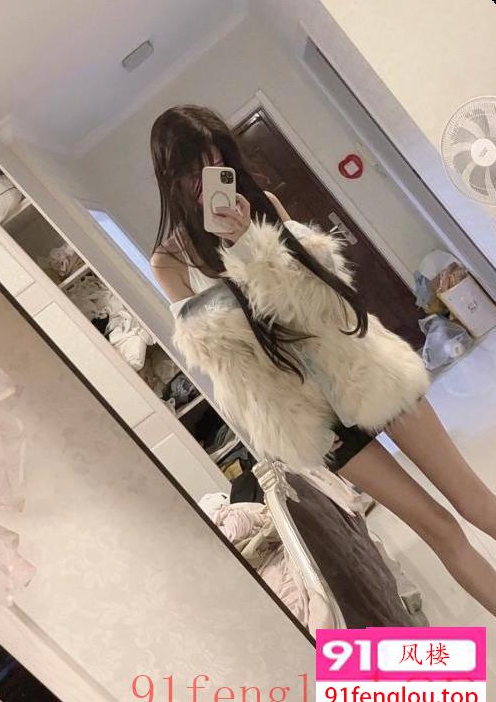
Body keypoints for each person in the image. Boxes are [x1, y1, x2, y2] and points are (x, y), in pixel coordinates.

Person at [150, 104, 496, 615]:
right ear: (171, 177)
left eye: (215, 164)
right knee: (439, 528)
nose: (207, 182)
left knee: (472, 500)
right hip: (313, 418)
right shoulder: (170, 263)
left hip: (363, 367)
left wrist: (250, 245)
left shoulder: (262, 208)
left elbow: (324, 302)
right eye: (192, 172)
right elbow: (230, 359)